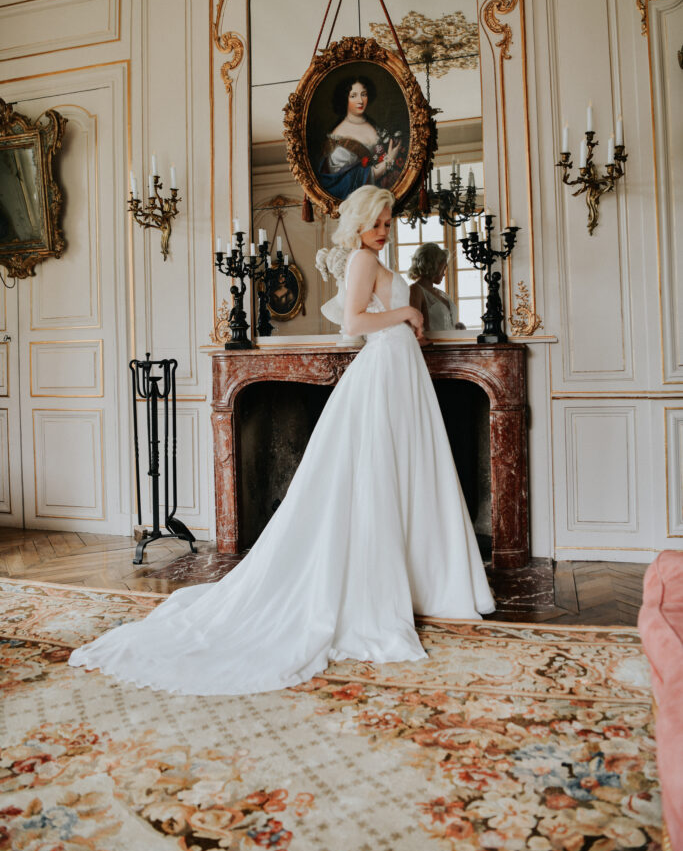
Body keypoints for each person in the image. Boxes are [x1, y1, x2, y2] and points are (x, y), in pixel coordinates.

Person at [69, 185, 494, 696]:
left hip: (399, 372)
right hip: (383, 371)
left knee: (407, 475)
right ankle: (379, 590)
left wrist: (408, 320)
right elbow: (355, 324)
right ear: (358, 225)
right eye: (376, 222)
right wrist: (404, 315)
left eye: (387, 222)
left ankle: (419, 581)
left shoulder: (370, 260)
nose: (383, 230)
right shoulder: (361, 260)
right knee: (379, 476)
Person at [316, 76, 403, 200]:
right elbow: (347, 182)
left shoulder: (372, 123)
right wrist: (389, 161)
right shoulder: (340, 135)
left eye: (364, 94)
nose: (360, 101)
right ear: (344, 99)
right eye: (353, 96)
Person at [408, 242, 466, 331]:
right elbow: (412, 330)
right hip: (431, 345)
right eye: (444, 267)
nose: (444, 273)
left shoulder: (441, 294)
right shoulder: (415, 290)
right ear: (432, 265)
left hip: (453, 344)